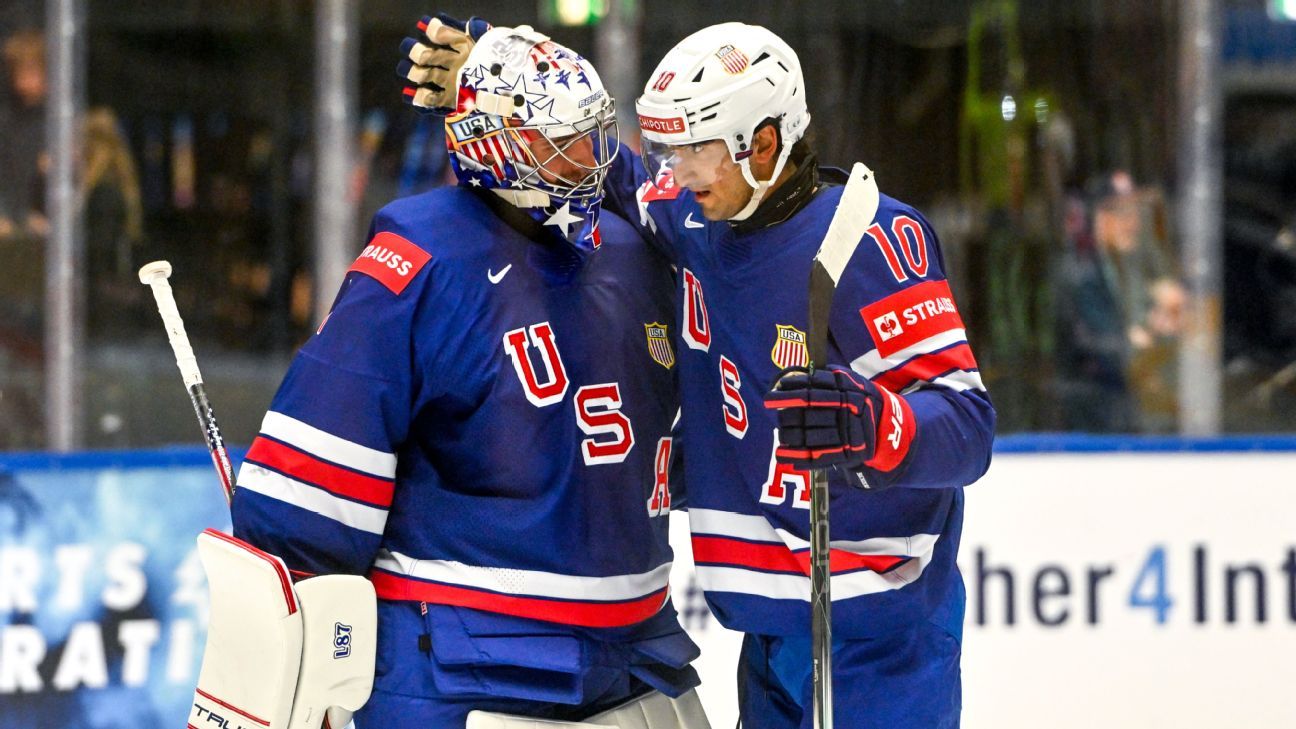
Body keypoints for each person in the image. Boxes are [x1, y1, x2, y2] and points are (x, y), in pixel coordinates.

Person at [402, 18, 996, 729]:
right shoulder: (698, 217)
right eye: (671, 149)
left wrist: (873, 423)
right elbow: (617, 173)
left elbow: (968, 425)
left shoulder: (866, 239)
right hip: (771, 627)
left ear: (764, 144)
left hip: (879, 641)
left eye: (696, 151)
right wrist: (507, 82)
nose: (678, 172)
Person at [233, 26, 706, 728]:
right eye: (562, 141)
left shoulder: (637, 250)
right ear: (493, 145)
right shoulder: (418, 258)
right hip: (465, 668)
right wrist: (307, 642)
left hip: (638, 659)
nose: (594, 159)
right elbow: (310, 496)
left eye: (594, 134)